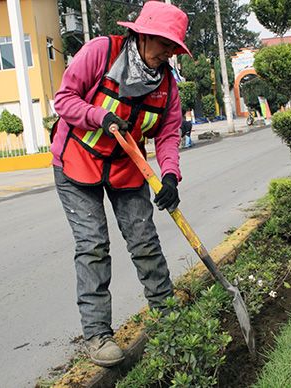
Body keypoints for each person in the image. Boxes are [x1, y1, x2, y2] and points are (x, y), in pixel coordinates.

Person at [50, 1, 191, 367]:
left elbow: (169, 133)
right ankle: (98, 336)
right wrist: (100, 116)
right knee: (93, 245)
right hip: (76, 164)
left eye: (174, 47)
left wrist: (171, 175)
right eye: (164, 43)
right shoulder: (102, 52)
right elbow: (63, 100)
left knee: (145, 241)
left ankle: (169, 318)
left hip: (128, 169)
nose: (168, 52)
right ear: (142, 34)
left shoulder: (166, 86)